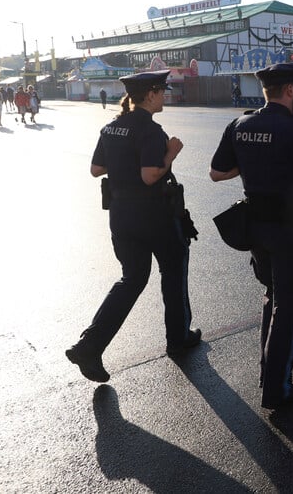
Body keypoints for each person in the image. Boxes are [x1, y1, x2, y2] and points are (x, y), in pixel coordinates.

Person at [209, 62, 293, 410]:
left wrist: (256, 161)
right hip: (291, 231)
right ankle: (277, 387)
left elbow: (217, 172)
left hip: (257, 228)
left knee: (272, 296)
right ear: (289, 90)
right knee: (291, 305)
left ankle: (267, 373)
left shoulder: (240, 124)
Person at [66, 70, 201, 383]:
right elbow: (151, 175)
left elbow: (96, 169)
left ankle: (89, 345)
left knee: (132, 279)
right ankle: (178, 337)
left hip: (121, 215)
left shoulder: (111, 127)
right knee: (174, 268)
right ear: (151, 94)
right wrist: (171, 153)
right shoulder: (150, 130)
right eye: (162, 91)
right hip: (154, 215)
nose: (165, 95)